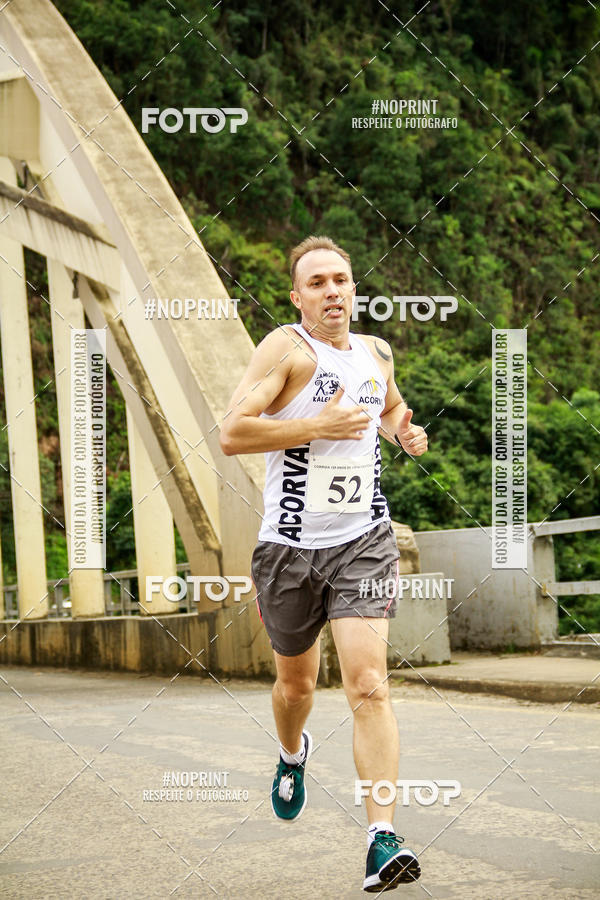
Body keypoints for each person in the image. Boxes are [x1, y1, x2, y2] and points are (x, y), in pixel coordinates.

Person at [220, 235, 428, 892]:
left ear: (353, 287)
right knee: (298, 688)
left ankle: (381, 838)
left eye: (341, 279)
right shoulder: (285, 349)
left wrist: (403, 430)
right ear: (297, 297)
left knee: (368, 684)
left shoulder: (376, 353)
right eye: (317, 283)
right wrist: (314, 427)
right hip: (287, 549)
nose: (332, 290)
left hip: (363, 539)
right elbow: (232, 432)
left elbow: (389, 404)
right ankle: (291, 754)